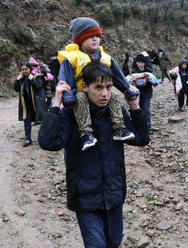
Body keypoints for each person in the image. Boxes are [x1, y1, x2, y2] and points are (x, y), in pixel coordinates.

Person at [38, 60, 149, 248]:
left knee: (114, 243)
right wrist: (56, 104)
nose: (105, 93)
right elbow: (48, 143)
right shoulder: (71, 115)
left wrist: (135, 107)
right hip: (85, 196)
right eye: (98, 87)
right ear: (85, 87)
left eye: (108, 87)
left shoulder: (116, 115)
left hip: (113, 194)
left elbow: (141, 139)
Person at [57, 17, 138, 151]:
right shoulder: (71, 57)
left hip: (101, 91)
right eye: (89, 36)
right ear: (80, 39)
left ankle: (119, 127)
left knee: (114, 97)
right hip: (81, 92)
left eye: (97, 36)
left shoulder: (105, 57)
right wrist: (68, 97)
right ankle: (86, 133)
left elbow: (118, 76)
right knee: (81, 98)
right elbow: (66, 77)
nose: (95, 39)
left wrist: (126, 89)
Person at [14, 62, 43, 147]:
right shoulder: (21, 78)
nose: (24, 71)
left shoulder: (36, 76)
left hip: (36, 104)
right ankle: (28, 139)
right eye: (22, 69)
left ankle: (43, 139)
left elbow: (38, 87)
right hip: (25, 105)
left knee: (40, 121)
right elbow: (16, 89)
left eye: (26, 69)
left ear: (30, 69)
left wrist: (31, 79)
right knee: (26, 122)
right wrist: (18, 79)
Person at [129, 54, 158, 133]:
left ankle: (148, 128)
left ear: (145, 63)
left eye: (142, 62)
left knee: (145, 109)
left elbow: (154, 82)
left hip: (147, 93)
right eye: (138, 62)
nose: (140, 64)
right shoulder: (134, 71)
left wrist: (147, 79)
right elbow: (131, 82)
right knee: (138, 110)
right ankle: (140, 127)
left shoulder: (149, 71)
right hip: (137, 93)